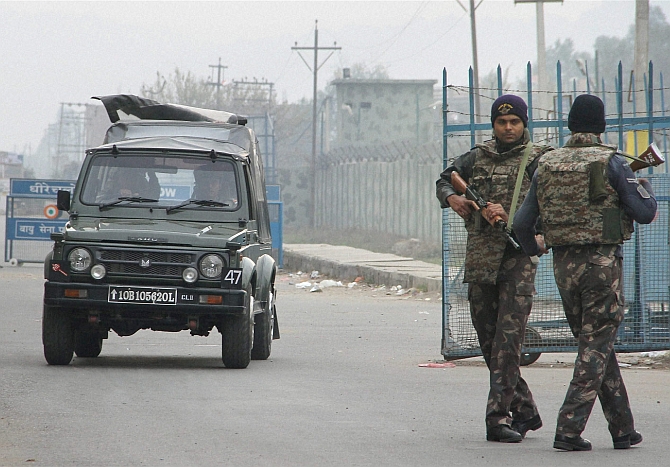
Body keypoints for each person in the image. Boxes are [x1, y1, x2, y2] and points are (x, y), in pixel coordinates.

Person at [513, 94, 656, 451]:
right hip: (602, 266)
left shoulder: (547, 164)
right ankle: (569, 428)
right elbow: (643, 213)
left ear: (570, 125)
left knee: (596, 344)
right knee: (595, 345)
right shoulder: (612, 162)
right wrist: (645, 186)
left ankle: (623, 428)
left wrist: (536, 250)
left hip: (564, 267)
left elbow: (521, 224)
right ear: (602, 126)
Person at [435, 95, 554, 443]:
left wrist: (530, 227)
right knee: (489, 343)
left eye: (514, 122)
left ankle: (497, 418)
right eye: (502, 122)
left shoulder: (539, 161)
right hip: (481, 260)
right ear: (494, 124)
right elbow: (444, 179)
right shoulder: (477, 157)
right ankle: (527, 412)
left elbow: (553, 203)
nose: (508, 128)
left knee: (508, 344)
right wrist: (453, 198)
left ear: (524, 124)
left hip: (517, 260)